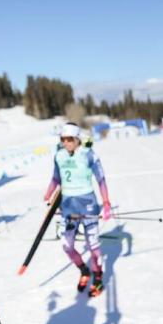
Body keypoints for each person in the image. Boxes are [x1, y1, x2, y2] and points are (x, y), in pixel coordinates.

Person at [43, 122, 111, 297]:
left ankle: (97, 278)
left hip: (88, 205)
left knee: (93, 245)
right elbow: (56, 178)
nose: (66, 142)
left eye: (69, 139)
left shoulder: (89, 155)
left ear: (77, 138)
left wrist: (106, 203)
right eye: (63, 139)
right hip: (68, 208)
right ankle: (84, 270)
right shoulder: (59, 156)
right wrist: (48, 194)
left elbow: (101, 179)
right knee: (67, 246)